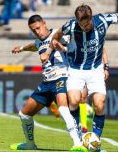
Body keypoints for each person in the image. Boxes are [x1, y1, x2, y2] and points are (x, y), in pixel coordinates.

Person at [40, 4, 118, 152]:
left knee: (99, 104)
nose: (84, 27)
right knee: (73, 101)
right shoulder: (71, 25)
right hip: (75, 69)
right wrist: (48, 51)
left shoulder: (103, 20)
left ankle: (95, 140)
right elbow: (57, 34)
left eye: (86, 24)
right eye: (81, 24)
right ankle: (78, 136)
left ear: (91, 18)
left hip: (95, 69)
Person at [10, 15, 87, 152]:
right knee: (24, 114)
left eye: (38, 28)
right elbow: (33, 46)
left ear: (44, 23)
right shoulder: (39, 42)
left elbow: (74, 41)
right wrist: (21, 48)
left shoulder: (58, 34)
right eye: (34, 30)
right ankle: (30, 144)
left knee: (63, 109)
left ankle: (77, 143)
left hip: (62, 77)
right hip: (47, 83)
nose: (37, 32)